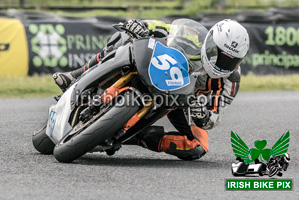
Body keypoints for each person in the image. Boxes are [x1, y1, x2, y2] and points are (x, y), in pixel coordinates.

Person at [53, 19, 250, 160]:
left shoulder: (230, 80)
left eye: (231, 60)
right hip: (159, 65)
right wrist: (143, 25)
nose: (222, 63)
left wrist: (203, 114)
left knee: (198, 146)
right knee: (124, 36)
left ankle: (136, 136)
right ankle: (78, 74)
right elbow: (165, 27)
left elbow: (215, 115)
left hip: (182, 102)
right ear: (211, 41)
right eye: (220, 55)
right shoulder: (196, 36)